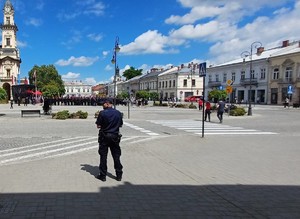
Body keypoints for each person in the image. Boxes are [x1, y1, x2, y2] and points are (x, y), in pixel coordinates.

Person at [95, 98, 123, 182]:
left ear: (107, 104)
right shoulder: (118, 113)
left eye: (103, 104)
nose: (102, 105)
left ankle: (103, 176)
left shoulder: (102, 113)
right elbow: (120, 124)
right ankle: (119, 175)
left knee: (103, 156)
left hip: (104, 137)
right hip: (115, 136)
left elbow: (98, 125)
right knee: (116, 156)